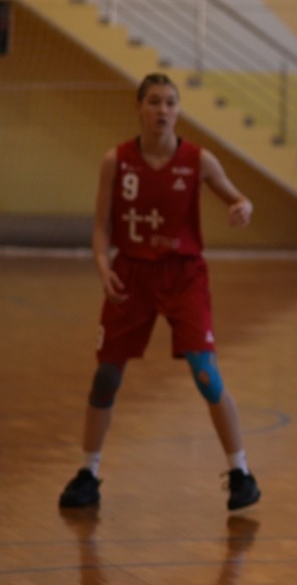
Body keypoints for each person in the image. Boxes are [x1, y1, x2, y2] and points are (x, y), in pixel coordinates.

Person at [58, 73, 262, 513]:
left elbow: (236, 197)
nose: (163, 110)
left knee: (205, 373)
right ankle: (87, 473)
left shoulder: (198, 160)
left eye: (171, 102)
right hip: (131, 273)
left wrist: (242, 207)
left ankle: (241, 473)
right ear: (139, 108)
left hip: (183, 275)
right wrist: (103, 266)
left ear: (178, 110)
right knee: (106, 376)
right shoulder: (115, 160)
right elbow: (101, 226)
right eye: (154, 101)